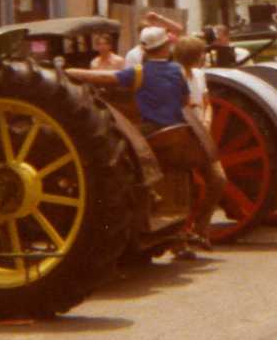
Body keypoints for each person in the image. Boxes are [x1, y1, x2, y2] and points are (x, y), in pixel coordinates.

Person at [65, 26, 219, 256]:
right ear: (166, 47)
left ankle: (148, 190)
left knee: (116, 137)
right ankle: (179, 236)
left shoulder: (139, 72)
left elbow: (104, 78)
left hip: (152, 131)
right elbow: (185, 99)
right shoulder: (177, 70)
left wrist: (70, 72)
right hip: (177, 131)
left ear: (145, 49)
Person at [173, 36, 227, 247]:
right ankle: (180, 239)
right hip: (184, 132)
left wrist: (206, 120)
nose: (204, 56)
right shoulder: (174, 75)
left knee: (218, 180)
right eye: (201, 53)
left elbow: (207, 103)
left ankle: (200, 228)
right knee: (185, 188)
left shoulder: (198, 75)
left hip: (201, 132)